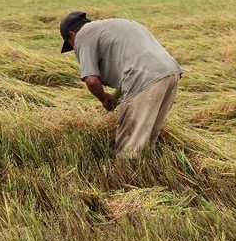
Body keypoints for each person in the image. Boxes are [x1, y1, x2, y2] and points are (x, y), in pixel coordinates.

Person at [59, 12, 183, 158]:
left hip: (144, 79)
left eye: (71, 46)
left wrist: (104, 98)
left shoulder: (83, 35)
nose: (75, 48)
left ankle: (123, 178)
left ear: (72, 35)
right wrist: (117, 96)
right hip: (170, 72)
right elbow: (130, 61)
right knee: (148, 141)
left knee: (129, 147)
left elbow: (91, 81)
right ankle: (149, 175)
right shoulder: (121, 24)